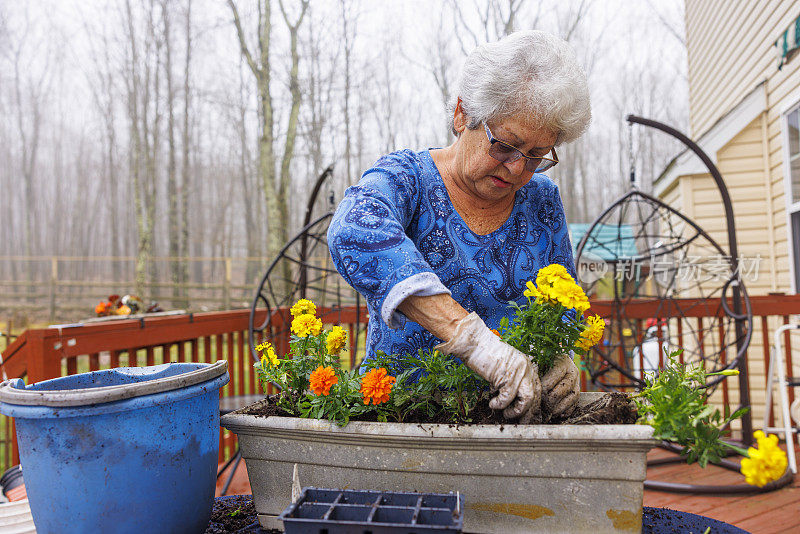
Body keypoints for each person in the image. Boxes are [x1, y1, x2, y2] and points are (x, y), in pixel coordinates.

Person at [327, 30, 591, 422]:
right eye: (504, 144)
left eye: (536, 155)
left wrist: (562, 358)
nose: (518, 168)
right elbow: (352, 230)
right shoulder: (408, 180)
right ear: (462, 114)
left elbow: (564, 300)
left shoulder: (541, 201)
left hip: (511, 422)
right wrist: (472, 340)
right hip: (402, 418)